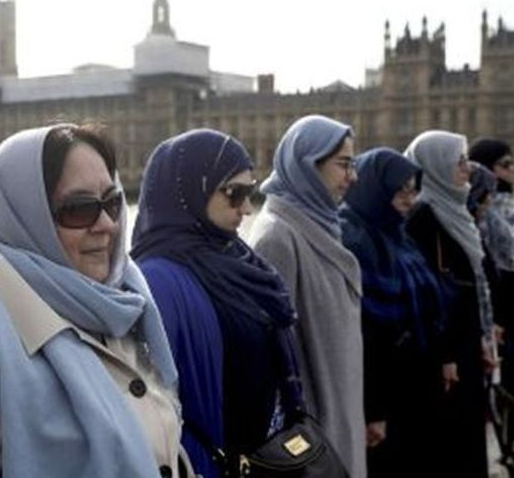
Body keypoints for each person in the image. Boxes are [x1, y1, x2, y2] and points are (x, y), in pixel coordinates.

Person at [0, 124, 188, 478]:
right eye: (78, 209)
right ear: (25, 216)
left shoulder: (117, 304)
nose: (106, 223)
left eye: (112, 202)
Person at [132, 129, 303, 478]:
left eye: (251, 191)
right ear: (189, 192)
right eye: (234, 193)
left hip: (269, 457)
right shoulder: (157, 281)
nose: (247, 207)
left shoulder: (239, 257)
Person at [248, 114, 367, 478]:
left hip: (342, 411)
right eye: (343, 165)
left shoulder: (323, 222)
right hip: (315, 428)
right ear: (306, 165)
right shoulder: (276, 237)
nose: (353, 177)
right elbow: (269, 353)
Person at [339, 148, 446, 477]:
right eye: (402, 189)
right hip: (385, 389)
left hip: (414, 378)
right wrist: (375, 410)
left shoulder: (399, 235)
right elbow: (364, 335)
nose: (410, 198)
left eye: (414, 190)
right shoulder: (353, 239)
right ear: (376, 187)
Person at [402, 130, 492, 478]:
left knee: (469, 428)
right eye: (459, 161)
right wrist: (446, 354)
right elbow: (427, 294)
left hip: (467, 342)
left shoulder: (456, 209)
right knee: (451, 437)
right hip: (447, 352)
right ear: (435, 166)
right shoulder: (423, 217)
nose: (467, 169)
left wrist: (483, 335)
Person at [468, 138, 514, 463]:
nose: (512, 170)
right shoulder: (480, 209)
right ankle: (505, 451)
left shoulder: (512, 204)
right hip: (499, 309)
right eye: (505, 165)